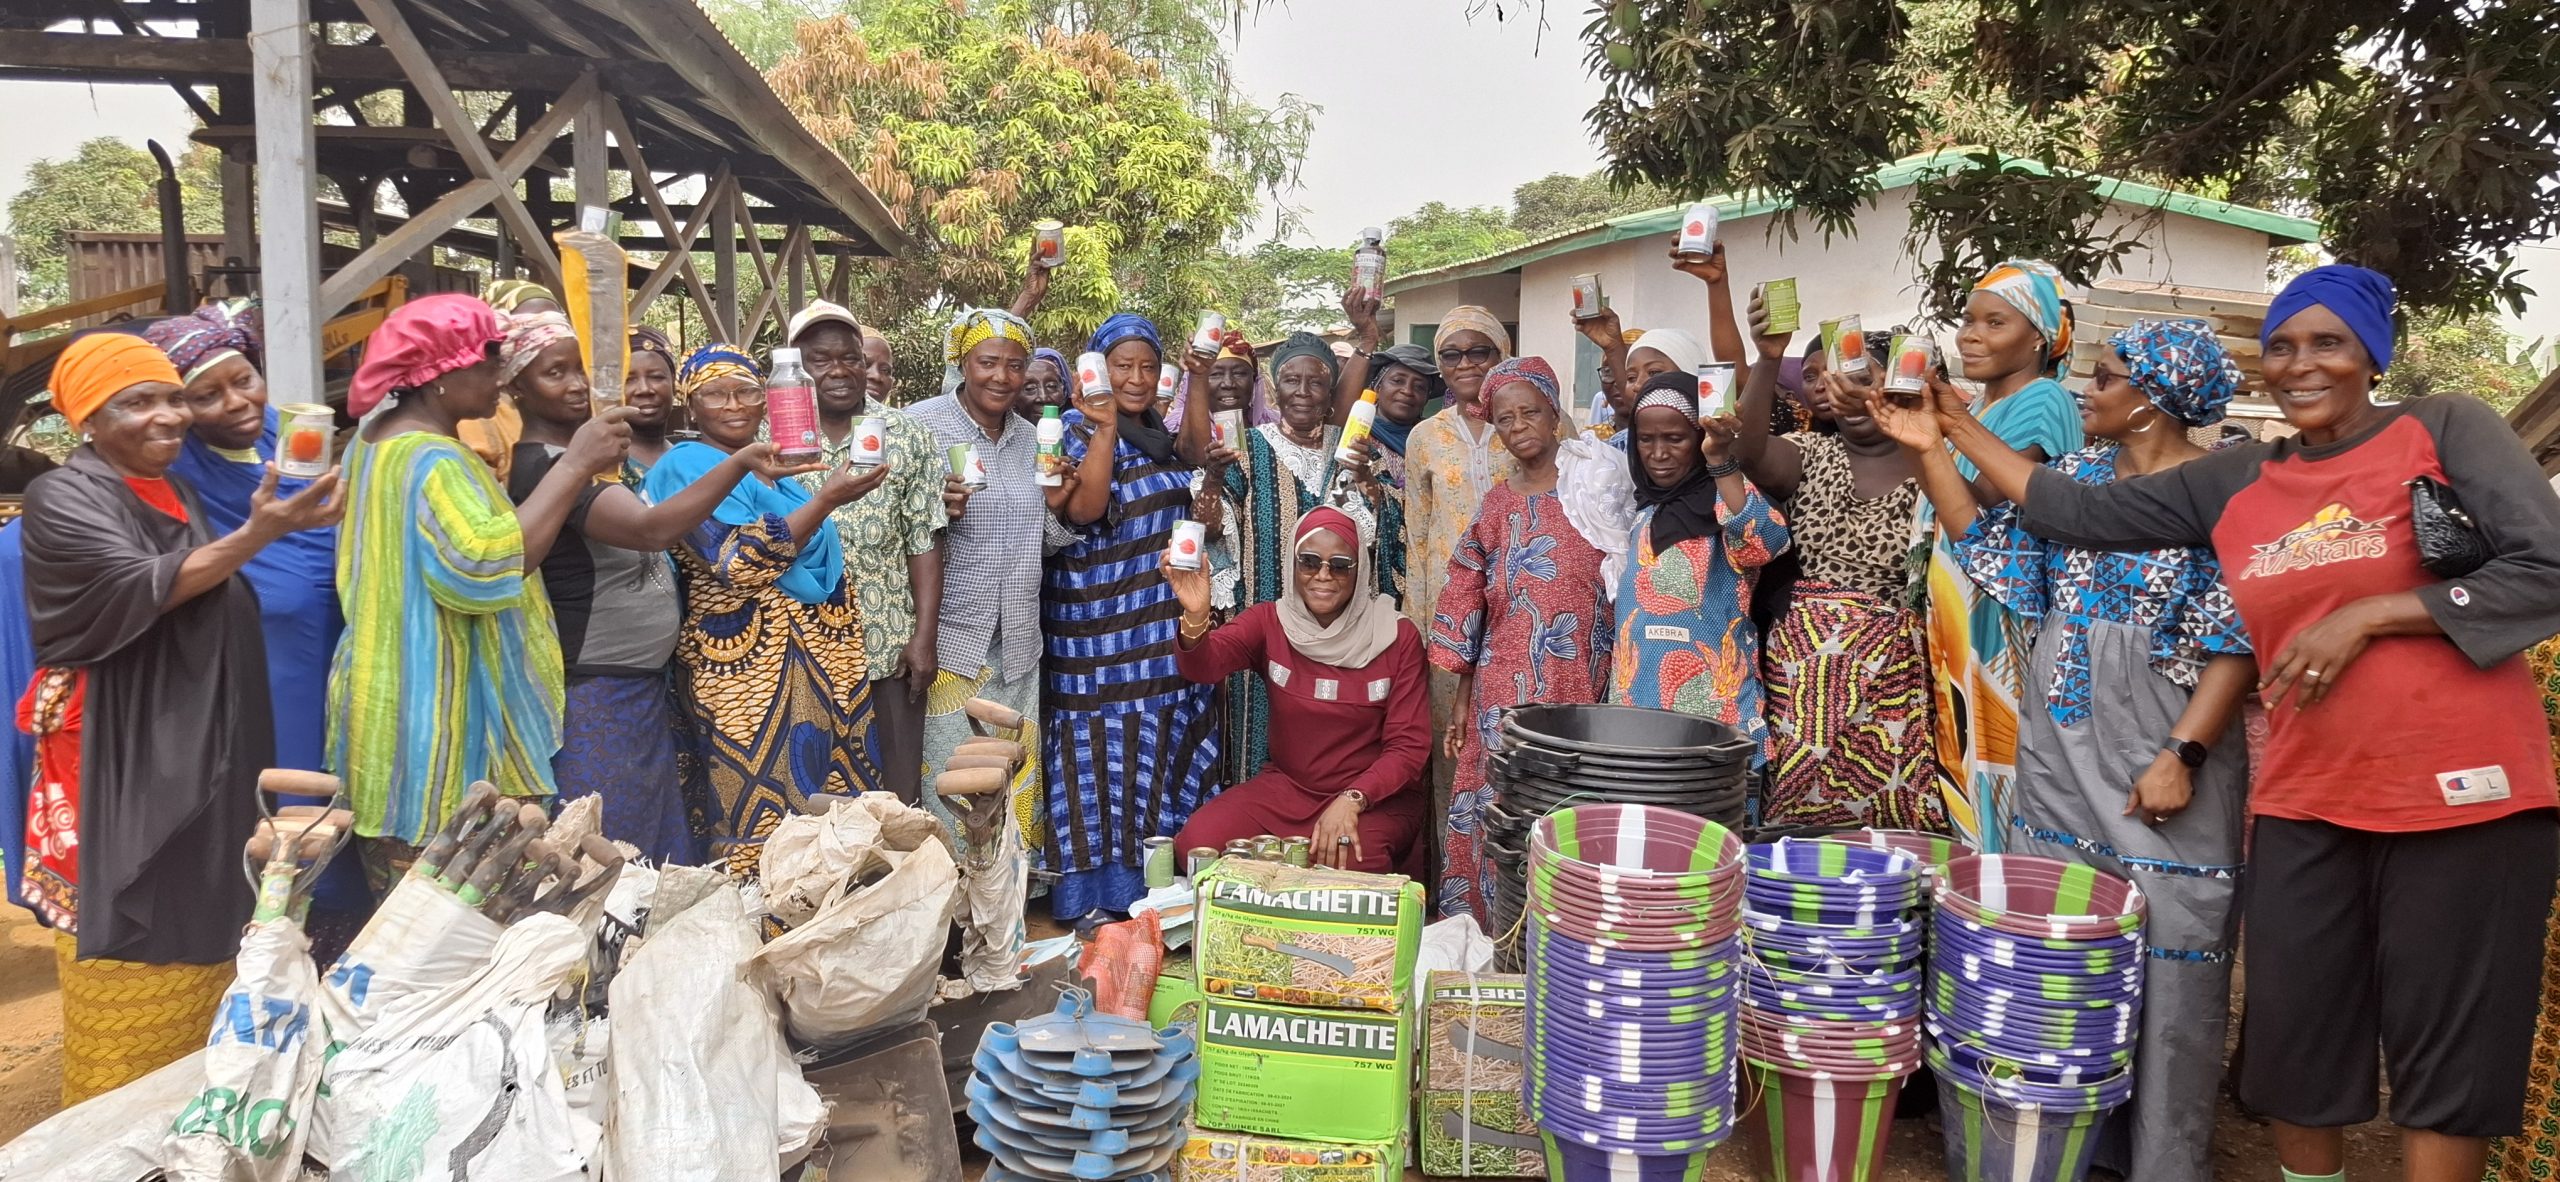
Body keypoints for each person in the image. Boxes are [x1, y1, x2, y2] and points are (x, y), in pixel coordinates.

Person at [1898, 264, 2560, 1182]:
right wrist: (1946, 424)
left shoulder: (2442, 427)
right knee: (2296, 1041)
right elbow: (2073, 514)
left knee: (2441, 1048)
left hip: (2457, 791)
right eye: (2282, 345)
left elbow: (2544, 569)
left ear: (2373, 352)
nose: (2299, 364)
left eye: (2327, 342)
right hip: (2303, 788)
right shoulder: (2248, 475)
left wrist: (2369, 614)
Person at [1874, 319, 2254, 1182]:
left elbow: (2238, 638)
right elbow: (1984, 540)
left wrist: (2183, 755)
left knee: (2172, 956)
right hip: (2061, 740)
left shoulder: (2219, 492)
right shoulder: (2077, 477)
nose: (2088, 390)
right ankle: (2064, 1150)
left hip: (2161, 736)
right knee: (2069, 944)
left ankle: (2160, 1160)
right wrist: (1928, 445)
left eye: (2108, 377)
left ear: (2153, 401)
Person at [22, 331, 342, 1102]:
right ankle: (110, 1123)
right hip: (123, 757)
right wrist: (260, 533)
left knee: (208, 928)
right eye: (138, 402)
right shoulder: (64, 496)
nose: (166, 416)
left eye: (171, 398)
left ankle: (186, 1110)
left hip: (198, 749)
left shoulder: (174, 491)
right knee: (137, 947)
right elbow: (144, 587)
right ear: (87, 423)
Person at [332, 294, 624, 893]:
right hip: (438, 721)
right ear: (439, 376)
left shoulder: (372, 444)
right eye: (489, 363)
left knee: (406, 919)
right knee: (441, 921)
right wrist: (574, 466)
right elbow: (484, 564)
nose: (500, 378)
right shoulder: (430, 459)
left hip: (392, 705)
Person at [499, 311, 803, 863]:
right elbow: (651, 529)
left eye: (580, 371)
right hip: (596, 690)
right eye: (554, 374)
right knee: (607, 848)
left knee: (652, 844)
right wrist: (738, 464)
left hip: (637, 686)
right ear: (515, 387)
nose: (574, 386)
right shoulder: (552, 468)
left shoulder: (593, 465)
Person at [643, 345, 890, 874]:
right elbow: (739, 564)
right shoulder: (685, 468)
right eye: (714, 393)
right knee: (762, 821)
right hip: (744, 676)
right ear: (691, 406)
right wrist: (826, 500)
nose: (733, 405)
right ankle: (756, 947)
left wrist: (818, 495)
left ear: (767, 400)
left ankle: (822, 943)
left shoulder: (780, 475)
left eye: (746, 391)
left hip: (822, 672)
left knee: (829, 827)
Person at [1732, 287, 1943, 829]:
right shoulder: (1811, 454)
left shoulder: (1935, 465)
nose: (1845, 393)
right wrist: (1769, 358)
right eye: (1836, 381)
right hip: (1802, 673)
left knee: (1886, 808)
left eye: (1863, 380)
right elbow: (1748, 452)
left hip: (1893, 673)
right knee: (1793, 812)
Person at [1429, 357, 1629, 920]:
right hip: (1501, 692)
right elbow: (1469, 598)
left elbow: (1625, 577)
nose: (1519, 426)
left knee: (1569, 807)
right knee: (1497, 802)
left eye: (1530, 412)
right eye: (1505, 418)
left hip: (1579, 685)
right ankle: (1487, 929)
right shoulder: (1496, 504)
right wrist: (1462, 705)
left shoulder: (1592, 484)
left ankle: (1560, 930)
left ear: (1554, 411)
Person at [1042, 313, 1222, 919]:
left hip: (1155, 619)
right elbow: (1087, 510)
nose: (1137, 377)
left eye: (1148, 366)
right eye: (1123, 365)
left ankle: (1153, 889)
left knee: (1157, 745)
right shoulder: (1076, 427)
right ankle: (1093, 895)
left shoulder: (1154, 432)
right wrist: (1101, 428)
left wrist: (1196, 382)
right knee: (1096, 752)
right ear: (1098, 367)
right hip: (1094, 625)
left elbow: (1194, 457)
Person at [1921, 259, 2087, 849]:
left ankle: (2003, 901)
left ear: (2039, 337)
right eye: (1968, 320)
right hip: (1962, 618)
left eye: (1995, 322)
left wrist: (1927, 439)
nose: (1970, 334)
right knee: (1968, 760)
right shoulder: (1979, 408)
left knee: (1997, 761)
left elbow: (1979, 511)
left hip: (2001, 619)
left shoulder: (2043, 401)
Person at [1164, 507, 1429, 874]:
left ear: (1360, 570)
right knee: (1198, 845)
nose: (1322, 575)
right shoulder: (1272, 622)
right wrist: (1196, 614)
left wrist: (1353, 798)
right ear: (1292, 565)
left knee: (1345, 865)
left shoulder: (1397, 637)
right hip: (1287, 791)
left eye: (1339, 564)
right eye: (1309, 562)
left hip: (1372, 798)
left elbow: (1409, 746)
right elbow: (1202, 666)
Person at [149, 311, 342, 777]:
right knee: (283, 768)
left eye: (244, 380)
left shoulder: (284, 432)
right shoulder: (178, 471)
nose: (238, 402)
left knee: (339, 762)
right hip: (262, 650)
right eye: (207, 396)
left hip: (335, 630)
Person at [1200, 332, 1391, 781]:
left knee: (1335, 741)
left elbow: (1383, 538)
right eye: (1291, 381)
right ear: (1275, 388)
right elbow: (1210, 531)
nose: (1303, 392)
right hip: (1267, 624)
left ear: (1331, 393)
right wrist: (1211, 478)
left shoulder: (1355, 451)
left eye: (1316, 382)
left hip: (1341, 630)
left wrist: (1368, 485)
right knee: (1261, 740)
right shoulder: (1245, 448)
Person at [787, 303, 946, 801]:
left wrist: (923, 637)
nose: (838, 371)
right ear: (797, 366)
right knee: (806, 794)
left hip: (886, 646)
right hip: (794, 649)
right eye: (820, 359)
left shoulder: (908, 436)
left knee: (895, 797)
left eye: (850, 358)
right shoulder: (772, 435)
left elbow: (924, 540)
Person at [913, 308, 1055, 861]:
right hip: (952, 639)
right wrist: (937, 507)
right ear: (962, 363)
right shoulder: (922, 425)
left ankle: (1005, 905)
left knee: (1010, 781)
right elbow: (896, 520)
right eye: (987, 362)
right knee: (950, 782)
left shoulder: (1033, 438)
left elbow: (1048, 533)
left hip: (1019, 640)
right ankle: (946, 909)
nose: (1001, 376)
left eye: (1015, 365)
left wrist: (1062, 497)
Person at [1610, 370, 1789, 753]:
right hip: (1636, 714)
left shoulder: (1723, 499)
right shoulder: (1642, 510)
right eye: (1646, 439)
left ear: (1697, 438)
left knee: (1713, 811)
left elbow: (1765, 542)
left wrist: (1719, 459)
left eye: (1675, 439)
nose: (1658, 453)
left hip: (1715, 720)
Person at [1400, 307, 1518, 886]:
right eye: (1452, 355)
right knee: (1453, 752)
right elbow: (1417, 540)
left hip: (1525, 615)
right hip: (1449, 625)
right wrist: (1418, 633)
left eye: (1481, 352)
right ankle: (1455, 891)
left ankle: (1517, 884)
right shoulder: (1426, 437)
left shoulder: (1531, 418)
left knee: (1517, 748)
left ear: (1502, 353)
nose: (1467, 364)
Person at [457, 277, 560, 479]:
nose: (542, 337)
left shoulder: (563, 396)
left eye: (551, 325)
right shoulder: (478, 410)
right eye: (526, 326)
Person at [624, 325, 682, 474]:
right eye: (628, 380)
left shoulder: (692, 461)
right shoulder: (603, 464)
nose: (644, 389)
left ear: (674, 384)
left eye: (656, 377)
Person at [1020, 347, 1071, 422]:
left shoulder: (1081, 430)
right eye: (1030, 388)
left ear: (1064, 391)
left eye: (1051, 386)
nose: (1043, 397)